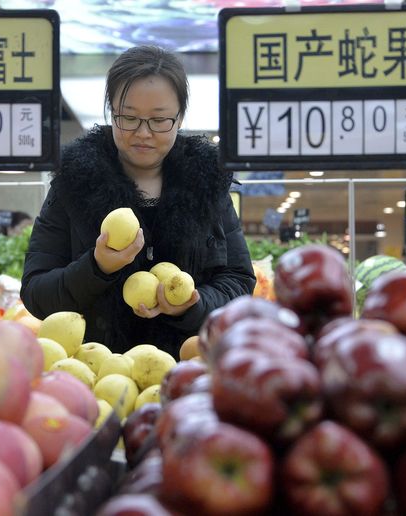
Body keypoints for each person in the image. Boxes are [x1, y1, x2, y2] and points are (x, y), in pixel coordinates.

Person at [21, 45, 255, 358]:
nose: (143, 133)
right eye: (128, 118)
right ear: (111, 111)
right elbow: (37, 293)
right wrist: (97, 267)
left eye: (159, 120)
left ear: (180, 117)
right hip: (96, 371)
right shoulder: (74, 183)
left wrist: (194, 304)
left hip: (187, 371)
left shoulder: (207, 185)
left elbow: (239, 282)